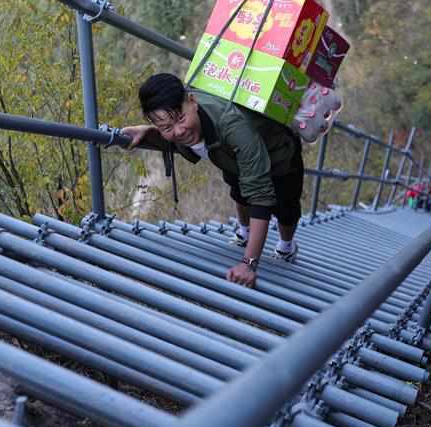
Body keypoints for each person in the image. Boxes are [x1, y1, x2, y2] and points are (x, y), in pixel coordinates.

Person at [121, 73, 304, 288]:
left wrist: (249, 264)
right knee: (237, 189)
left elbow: (261, 197)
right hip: (230, 156)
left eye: (181, 119)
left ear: (192, 101)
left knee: (286, 207)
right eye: (166, 127)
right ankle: (244, 233)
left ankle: (286, 247)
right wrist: (149, 132)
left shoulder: (233, 127)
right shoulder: (182, 119)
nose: (179, 131)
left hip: (279, 155)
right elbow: (176, 131)